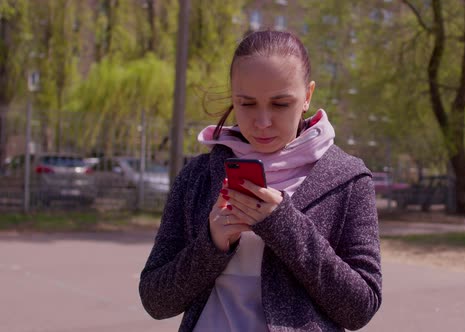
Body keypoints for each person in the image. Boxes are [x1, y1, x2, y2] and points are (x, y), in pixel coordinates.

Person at [139, 29, 382, 331]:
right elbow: (155, 300)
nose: (263, 121)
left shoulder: (347, 178)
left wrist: (283, 225)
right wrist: (212, 244)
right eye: (247, 103)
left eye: (280, 104)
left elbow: (361, 308)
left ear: (307, 96)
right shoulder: (196, 177)